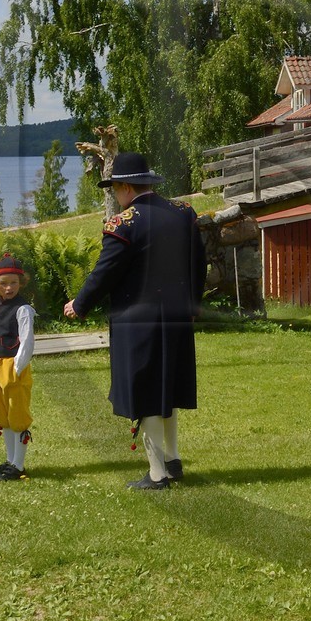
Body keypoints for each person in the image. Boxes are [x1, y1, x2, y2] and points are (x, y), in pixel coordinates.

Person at [65, 152, 207, 490]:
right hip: (176, 318)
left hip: (138, 325)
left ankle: (157, 473)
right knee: (167, 391)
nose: (115, 193)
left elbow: (105, 273)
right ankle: (172, 461)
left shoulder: (125, 223)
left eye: (115, 187)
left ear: (126, 186)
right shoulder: (183, 213)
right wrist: (193, 305)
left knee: (146, 394)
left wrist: (79, 304)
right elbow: (198, 265)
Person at [0, 253, 36, 481]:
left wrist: (18, 368)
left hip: (13, 366)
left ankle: (19, 465)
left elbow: (27, 341)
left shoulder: (23, 309)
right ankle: (10, 460)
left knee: (18, 414)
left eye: (13, 283)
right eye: (3, 283)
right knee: (4, 416)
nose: (9, 288)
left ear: (20, 283)